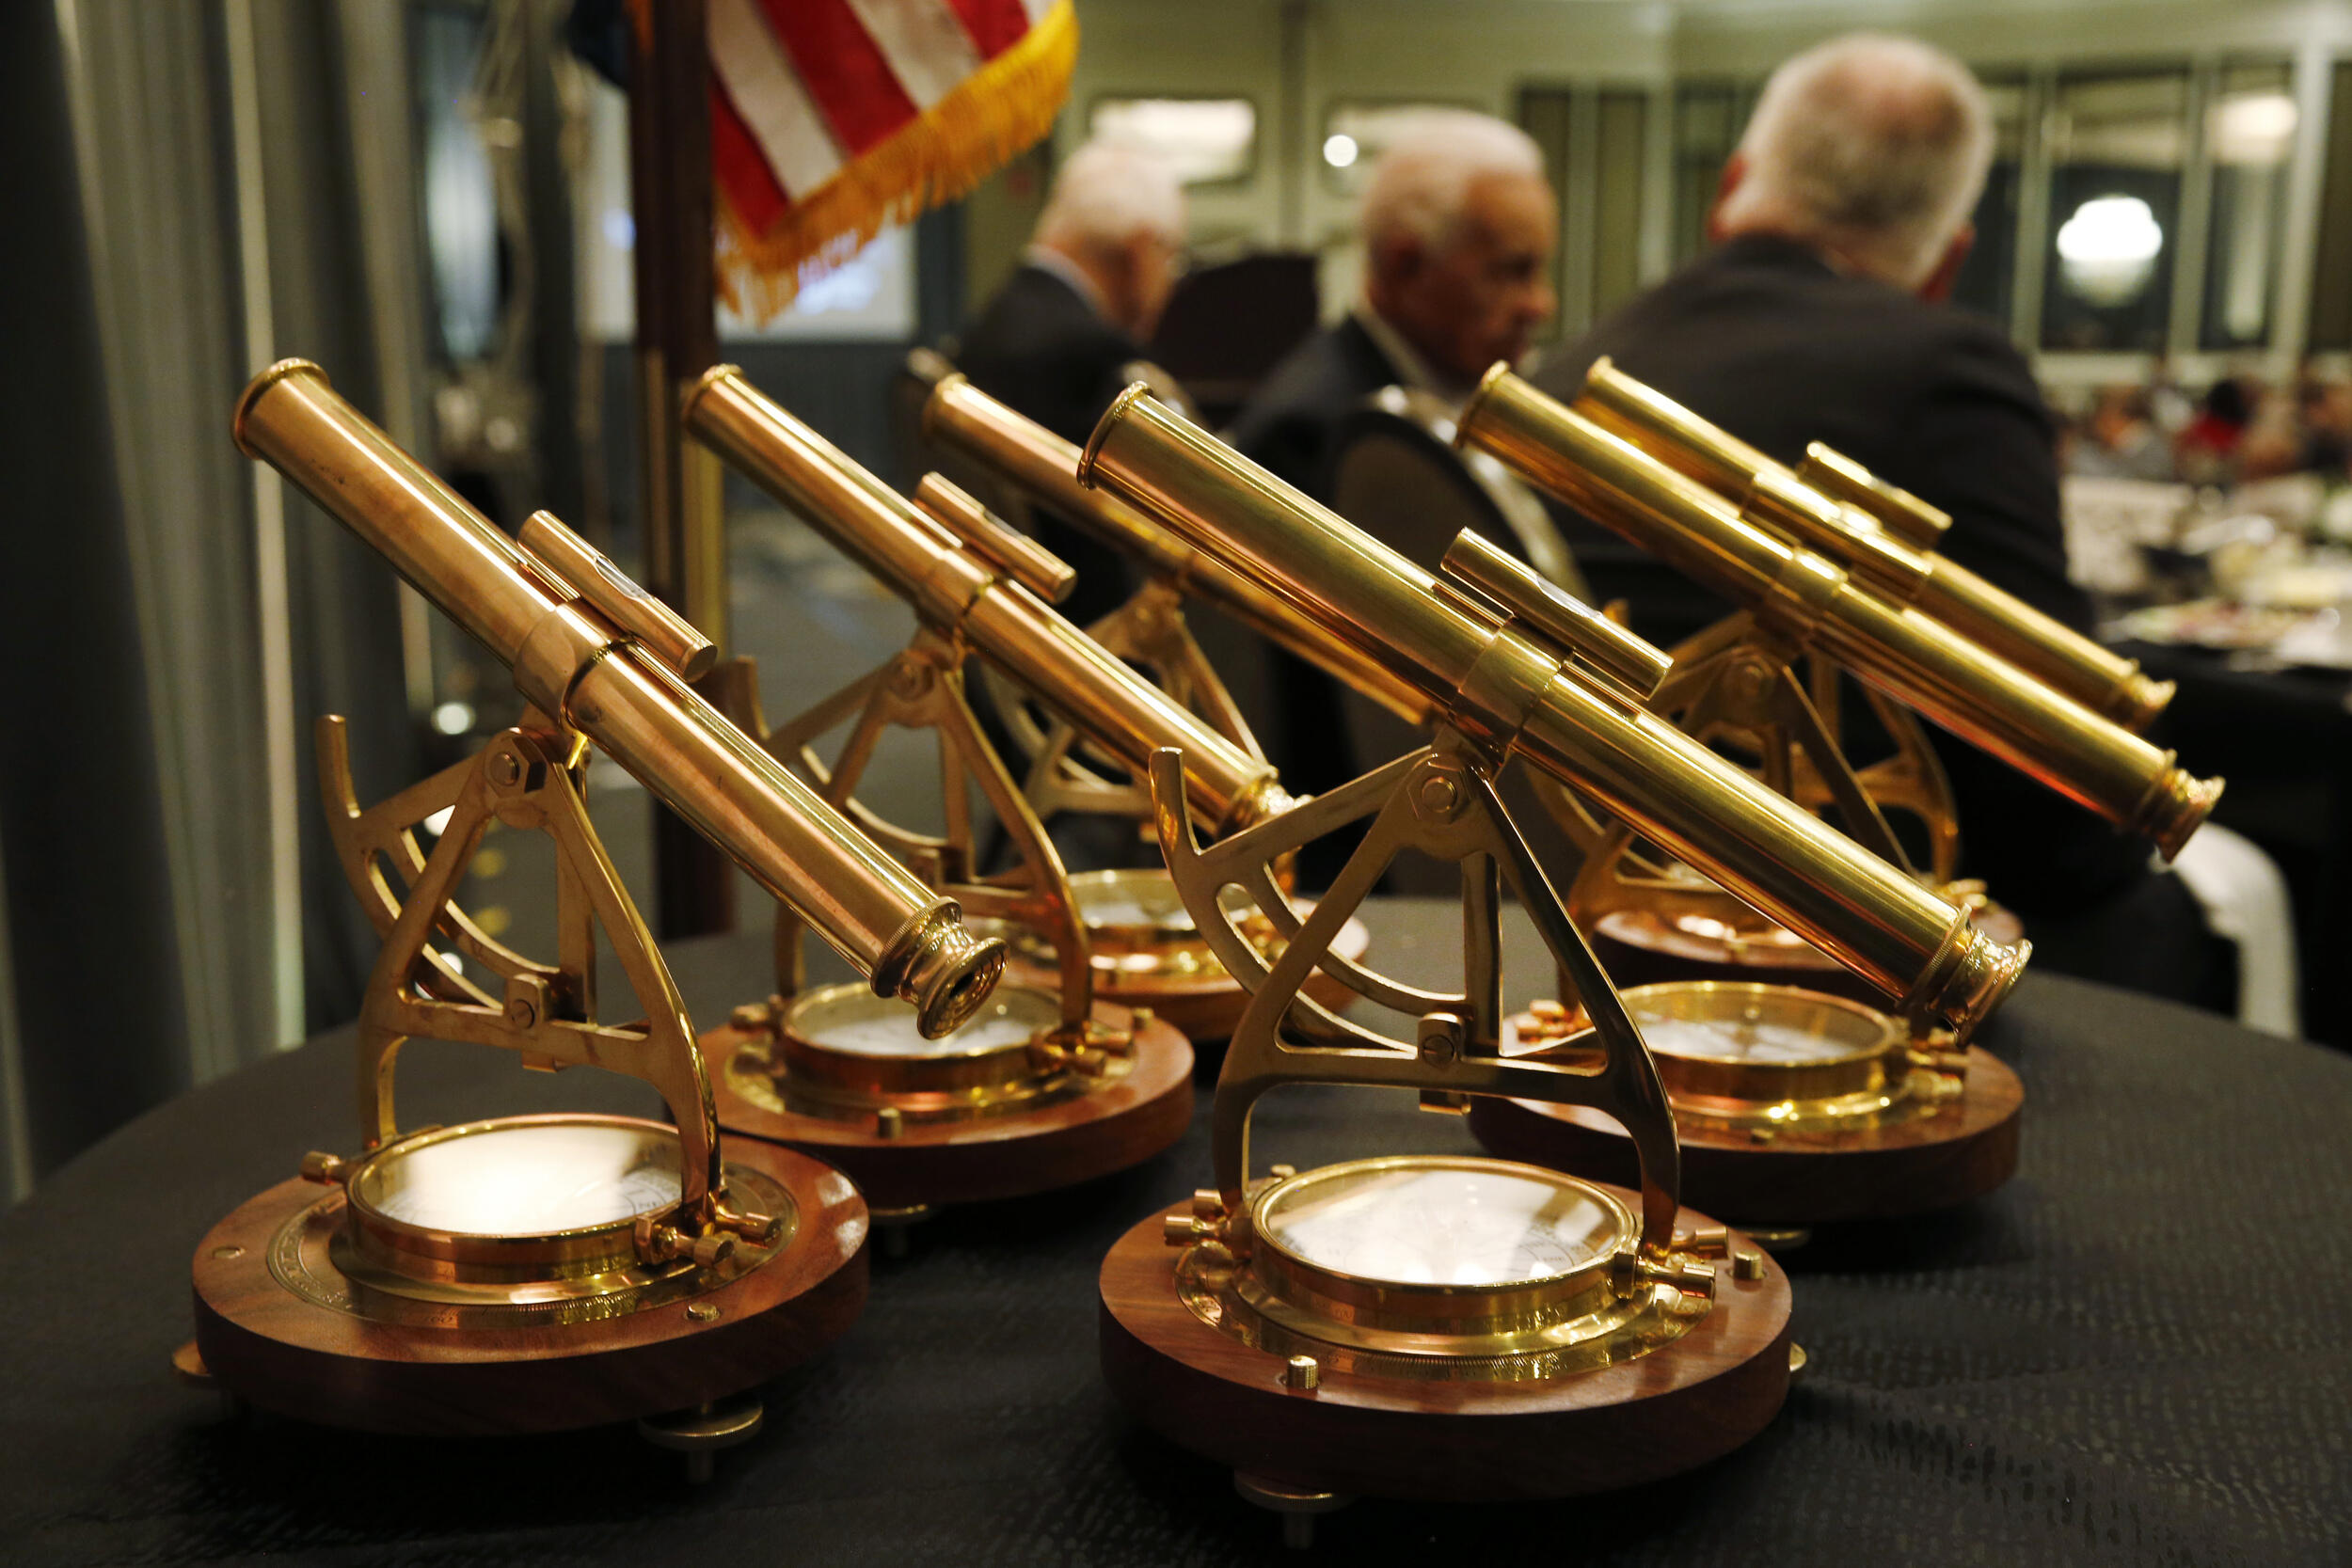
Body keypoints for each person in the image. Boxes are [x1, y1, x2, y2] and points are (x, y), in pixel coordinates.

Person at [1534, 32, 2228, 1007]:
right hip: (1844, 941)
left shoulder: (1571, 371)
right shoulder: (1950, 368)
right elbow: (2057, 815)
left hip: (1576, 898)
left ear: (1730, 185)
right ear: (1949, 259)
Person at [1227, 110, 1557, 499]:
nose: (1541, 305)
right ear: (1406, 265)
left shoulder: (1452, 388)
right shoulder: (1307, 436)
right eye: (1511, 272)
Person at [955, 140, 1187, 622]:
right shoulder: (1094, 358)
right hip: (1082, 636)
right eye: (1173, 257)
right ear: (1142, 251)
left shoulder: (997, 319)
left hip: (995, 621)